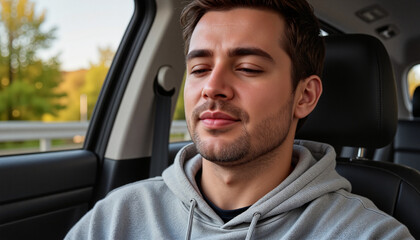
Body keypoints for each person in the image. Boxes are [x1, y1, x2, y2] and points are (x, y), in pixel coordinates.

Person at [65, 0, 413, 239]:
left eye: (247, 68)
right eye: (199, 69)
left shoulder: (370, 233)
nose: (212, 88)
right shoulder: (115, 218)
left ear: (305, 96)